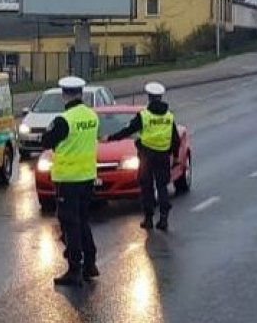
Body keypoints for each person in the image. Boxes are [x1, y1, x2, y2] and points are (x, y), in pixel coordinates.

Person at [40, 76, 100, 287]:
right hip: (87, 176)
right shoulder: (92, 116)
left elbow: (46, 141)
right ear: (81, 94)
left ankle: (75, 268)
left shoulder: (63, 119)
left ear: (64, 95)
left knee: (69, 223)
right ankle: (90, 263)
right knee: (83, 220)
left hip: (68, 179)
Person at [105, 82, 180, 231]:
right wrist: (175, 155)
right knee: (162, 186)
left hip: (147, 156)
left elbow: (128, 130)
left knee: (146, 187)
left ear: (149, 98)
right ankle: (164, 218)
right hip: (163, 156)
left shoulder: (144, 116)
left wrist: (111, 138)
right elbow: (175, 139)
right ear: (160, 97)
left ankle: (149, 218)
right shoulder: (168, 116)